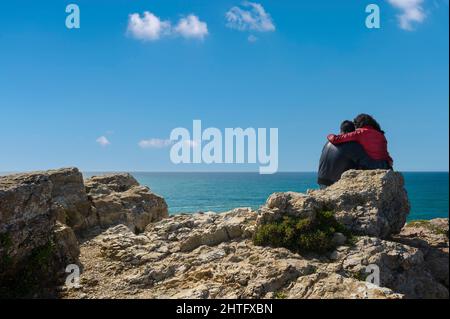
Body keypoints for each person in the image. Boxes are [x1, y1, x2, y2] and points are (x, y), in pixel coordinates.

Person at [318, 120, 390, 188]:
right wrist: (385, 164)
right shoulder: (352, 145)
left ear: (341, 130)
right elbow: (367, 163)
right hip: (334, 184)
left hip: (321, 181)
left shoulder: (328, 143)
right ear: (353, 133)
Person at [327, 114, 394, 167]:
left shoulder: (360, 133)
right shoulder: (381, 135)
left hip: (371, 165)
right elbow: (385, 154)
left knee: (352, 145)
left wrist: (329, 135)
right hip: (385, 165)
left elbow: (336, 139)